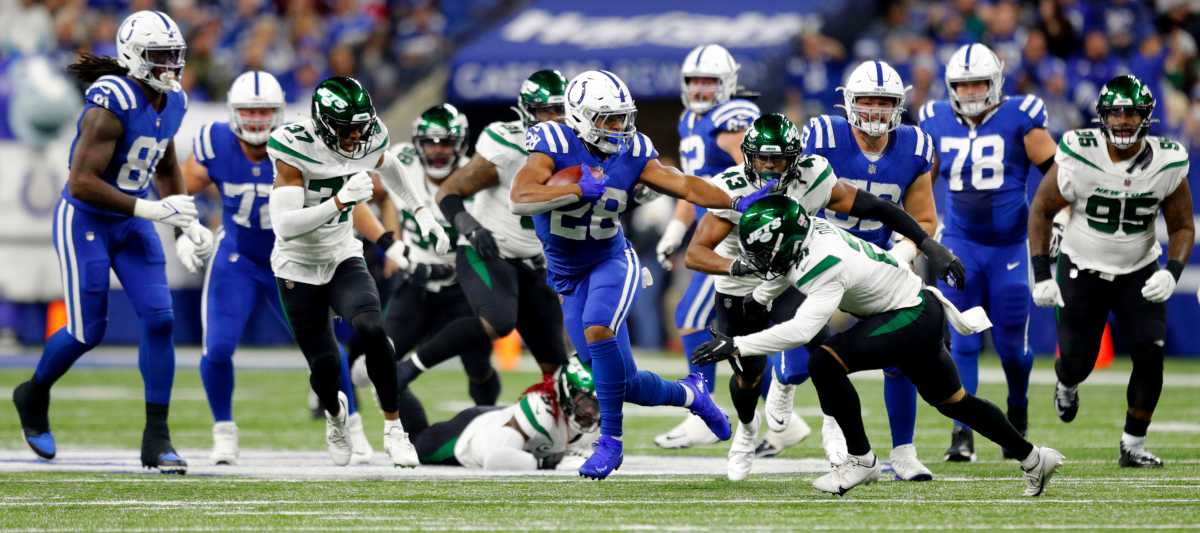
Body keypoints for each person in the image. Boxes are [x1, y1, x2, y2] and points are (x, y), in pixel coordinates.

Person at [692, 195, 1064, 497]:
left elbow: (802, 330)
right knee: (955, 402)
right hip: (916, 310)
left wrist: (737, 344)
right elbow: (781, 274)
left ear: (785, 243)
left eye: (763, 252)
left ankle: (861, 460)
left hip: (911, 315)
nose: (757, 261)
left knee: (825, 361)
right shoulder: (807, 237)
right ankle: (1034, 458)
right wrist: (755, 301)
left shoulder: (822, 261)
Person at [685, 113, 959, 481]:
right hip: (740, 288)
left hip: (791, 279)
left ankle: (837, 432)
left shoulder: (812, 177)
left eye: (778, 158)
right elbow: (696, 253)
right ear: (749, 156)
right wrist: (739, 268)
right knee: (748, 375)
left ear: (795, 158)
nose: (769, 166)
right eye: (763, 158)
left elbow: (877, 206)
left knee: (824, 352)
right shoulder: (732, 188)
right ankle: (747, 431)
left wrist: (926, 243)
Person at [510, 69, 749, 479]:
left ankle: (611, 443)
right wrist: (570, 189)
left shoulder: (634, 150)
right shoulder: (552, 142)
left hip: (611, 260)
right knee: (623, 382)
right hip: (568, 277)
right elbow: (520, 197)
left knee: (597, 328)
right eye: (609, 119)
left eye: (623, 117)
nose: (620, 127)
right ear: (581, 117)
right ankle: (692, 393)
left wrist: (739, 203)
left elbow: (687, 186)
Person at [11, 10, 207, 473]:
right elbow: (80, 182)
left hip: (132, 220)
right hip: (85, 219)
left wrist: (185, 223)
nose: (170, 68)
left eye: (174, 58)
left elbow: (163, 164)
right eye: (160, 58)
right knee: (87, 331)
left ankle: (156, 439)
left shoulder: (172, 100)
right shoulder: (110, 101)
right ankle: (33, 393)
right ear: (134, 58)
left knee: (161, 321)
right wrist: (152, 210)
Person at [183, 71, 379, 465]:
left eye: (265, 111)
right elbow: (176, 190)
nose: (256, 119)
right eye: (249, 112)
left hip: (291, 261)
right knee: (217, 348)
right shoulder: (214, 142)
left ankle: (353, 426)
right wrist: (185, 230)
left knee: (325, 349)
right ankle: (224, 432)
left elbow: (349, 200)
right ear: (233, 113)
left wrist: (386, 240)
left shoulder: (302, 144)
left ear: (280, 112)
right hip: (237, 258)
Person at [764, 60, 938, 480]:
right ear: (849, 103)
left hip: (876, 259)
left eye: (885, 102)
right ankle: (784, 380)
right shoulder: (823, 136)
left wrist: (905, 250)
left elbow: (925, 220)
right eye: (868, 101)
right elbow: (792, 194)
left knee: (904, 352)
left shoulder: (914, 146)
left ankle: (904, 451)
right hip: (819, 254)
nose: (876, 111)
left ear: (899, 105)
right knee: (803, 357)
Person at [266, 75, 449, 467]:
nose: (357, 137)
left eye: (362, 126)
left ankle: (393, 428)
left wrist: (421, 211)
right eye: (349, 129)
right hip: (297, 264)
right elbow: (286, 225)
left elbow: (390, 165)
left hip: (342, 255)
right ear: (324, 124)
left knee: (371, 328)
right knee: (326, 367)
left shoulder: (365, 135)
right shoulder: (292, 146)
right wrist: (338, 201)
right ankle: (335, 416)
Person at [1028, 75, 1193, 468]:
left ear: (1145, 117)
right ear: (1102, 116)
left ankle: (1132, 444)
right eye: (1115, 112)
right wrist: (1042, 272)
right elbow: (1041, 209)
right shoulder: (1080, 152)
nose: (1122, 120)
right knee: (1078, 361)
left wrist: (1171, 270)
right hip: (1082, 267)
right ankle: (1067, 383)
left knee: (1150, 356)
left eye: (1131, 112)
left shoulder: (1168, 160)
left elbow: (1183, 225)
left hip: (1138, 269)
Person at [918, 43, 1059, 461]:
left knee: (1011, 346)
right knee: (962, 340)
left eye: (979, 82)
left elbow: (1056, 174)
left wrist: (1056, 221)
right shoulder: (935, 118)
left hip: (1010, 247)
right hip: (960, 243)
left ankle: (1017, 408)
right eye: (963, 84)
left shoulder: (1022, 115)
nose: (972, 91)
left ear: (996, 81)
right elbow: (922, 181)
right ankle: (963, 433)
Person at [428, 70, 572, 395]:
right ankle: (413, 365)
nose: (553, 119)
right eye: (544, 111)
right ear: (525, 112)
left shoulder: (579, 145)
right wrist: (470, 226)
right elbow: (450, 192)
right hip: (494, 251)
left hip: (538, 261)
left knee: (558, 368)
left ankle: (557, 430)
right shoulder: (508, 143)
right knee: (497, 325)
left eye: (559, 110)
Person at [654, 44, 760, 450]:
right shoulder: (688, 120)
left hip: (732, 237)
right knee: (746, 337)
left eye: (709, 81)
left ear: (728, 84)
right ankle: (784, 421)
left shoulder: (732, 118)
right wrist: (674, 231)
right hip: (708, 236)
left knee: (690, 316)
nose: (700, 89)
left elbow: (752, 170)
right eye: (694, 81)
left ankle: (702, 410)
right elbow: (692, 185)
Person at [370, 103, 498, 405]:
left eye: (446, 142)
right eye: (430, 142)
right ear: (417, 143)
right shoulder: (402, 161)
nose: (438, 150)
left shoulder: (476, 177)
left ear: (461, 143)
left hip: (462, 289)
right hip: (416, 283)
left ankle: (486, 417)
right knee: (383, 360)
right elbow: (379, 194)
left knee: (478, 367)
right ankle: (410, 433)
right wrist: (394, 243)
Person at [401, 355, 599, 470]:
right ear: (566, 391)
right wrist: (547, 463)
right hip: (469, 435)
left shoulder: (596, 422)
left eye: (599, 403)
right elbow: (495, 458)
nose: (592, 411)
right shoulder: (541, 411)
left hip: (500, 421)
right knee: (416, 446)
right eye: (586, 402)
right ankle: (394, 384)